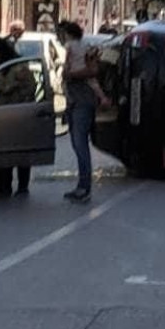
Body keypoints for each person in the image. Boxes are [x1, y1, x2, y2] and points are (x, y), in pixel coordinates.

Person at [0, 35, 34, 195]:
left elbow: (12, 87)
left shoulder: (17, 67)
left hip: (18, 114)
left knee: (20, 153)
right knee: (2, 153)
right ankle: (2, 185)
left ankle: (22, 186)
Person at [58, 20, 99, 203]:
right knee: (79, 142)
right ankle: (83, 185)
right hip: (83, 98)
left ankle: (84, 187)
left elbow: (73, 70)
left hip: (78, 98)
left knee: (79, 142)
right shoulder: (87, 46)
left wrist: (68, 75)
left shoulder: (70, 46)